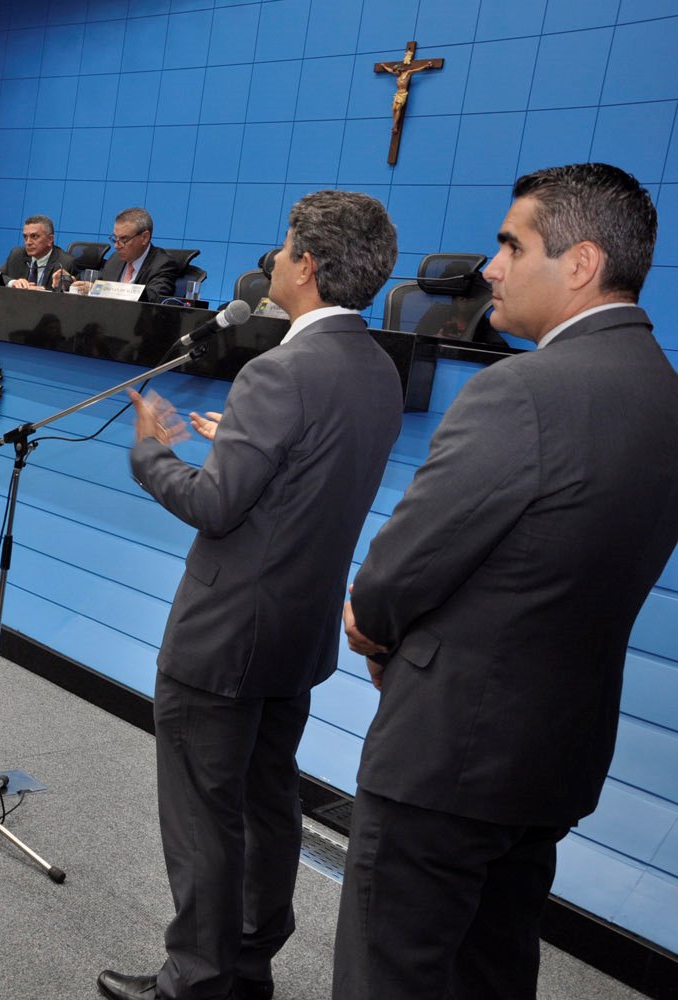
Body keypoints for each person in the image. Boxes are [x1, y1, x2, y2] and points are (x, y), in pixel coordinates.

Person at [333, 163, 678, 1000]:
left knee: (393, 975)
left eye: (511, 246)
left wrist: (372, 629)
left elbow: (395, 576)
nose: (490, 268)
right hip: (554, 754)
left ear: (581, 262)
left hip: (446, 757)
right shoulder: (664, 395)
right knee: (491, 970)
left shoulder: (520, 391)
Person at [100, 190, 404, 1000]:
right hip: (295, 633)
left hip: (225, 632)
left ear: (308, 264)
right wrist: (235, 438)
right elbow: (305, 477)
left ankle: (197, 979)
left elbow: (214, 506)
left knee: (204, 812)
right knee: (268, 802)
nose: (272, 259)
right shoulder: (375, 366)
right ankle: (246, 963)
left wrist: (150, 454)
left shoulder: (279, 370)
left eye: (283, 246)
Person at [60, 207, 178, 301]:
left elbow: (153, 298)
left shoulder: (163, 264)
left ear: (144, 237)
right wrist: (72, 282)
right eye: (115, 238)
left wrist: (101, 290)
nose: (116, 246)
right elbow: (97, 284)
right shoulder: (115, 259)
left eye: (124, 239)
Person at [0, 215, 75, 290]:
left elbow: (72, 291)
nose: (28, 242)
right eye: (25, 237)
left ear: (50, 239)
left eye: (34, 236)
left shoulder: (65, 263)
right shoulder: (17, 255)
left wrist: (43, 291)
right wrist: (12, 282)